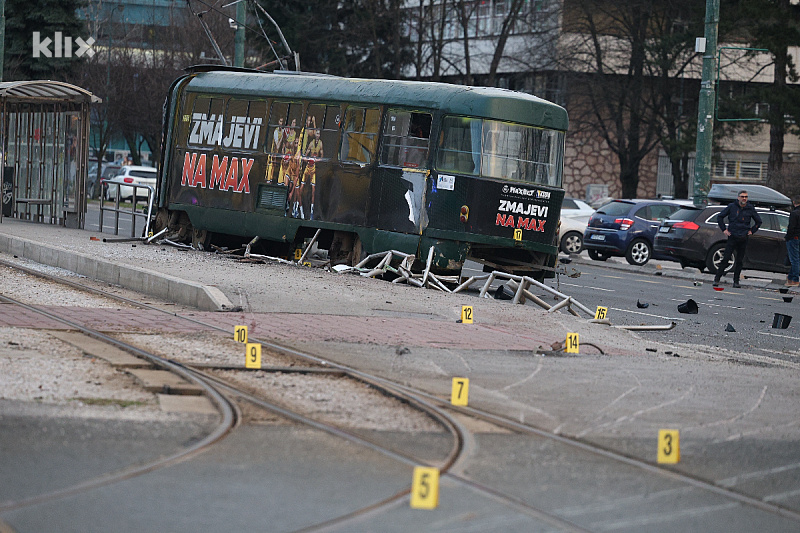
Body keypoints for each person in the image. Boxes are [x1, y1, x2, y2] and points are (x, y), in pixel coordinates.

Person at [714, 190, 762, 288]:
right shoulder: (732, 207)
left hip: (743, 237)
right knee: (726, 258)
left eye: (746, 197)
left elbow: (759, 221)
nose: (744, 198)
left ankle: (736, 281)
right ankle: (717, 278)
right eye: (742, 196)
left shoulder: (750, 208)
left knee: (739, 260)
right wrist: (724, 229)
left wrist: (752, 231)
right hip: (733, 236)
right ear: (738, 197)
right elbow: (720, 217)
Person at [785, 195, 800, 287]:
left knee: (794, 259)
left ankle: (795, 279)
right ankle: (790, 277)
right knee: (796, 258)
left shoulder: (794, 213)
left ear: (794, 203)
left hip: (794, 238)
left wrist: (788, 237)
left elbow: (791, 227)